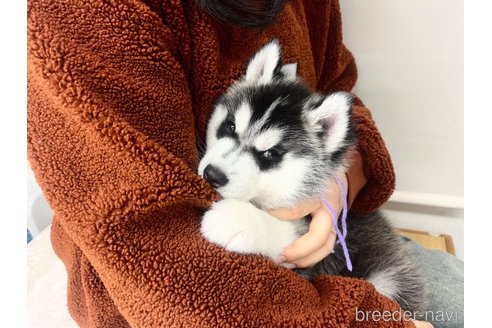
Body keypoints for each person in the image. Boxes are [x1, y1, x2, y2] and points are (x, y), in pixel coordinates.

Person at [27, 0, 461, 327]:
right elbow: (155, 262)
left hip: (343, 261)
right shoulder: (83, 15)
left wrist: (341, 173)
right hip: (173, 299)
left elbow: (336, 87)